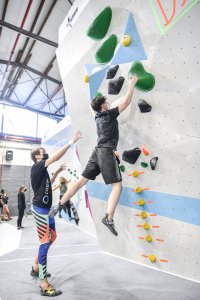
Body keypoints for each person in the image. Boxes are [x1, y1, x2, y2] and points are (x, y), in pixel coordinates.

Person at [49, 76, 138, 236]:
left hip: (96, 152)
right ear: (103, 107)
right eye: (105, 103)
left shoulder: (97, 116)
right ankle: (109, 218)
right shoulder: (109, 114)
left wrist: (90, 94)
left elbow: (92, 108)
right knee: (117, 186)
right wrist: (132, 84)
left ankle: (59, 204)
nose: (108, 104)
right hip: (105, 152)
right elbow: (126, 101)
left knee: (81, 181)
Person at [30, 131, 82, 297]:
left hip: (47, 209)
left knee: (53, 237)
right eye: (42, 152)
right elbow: (56, 157)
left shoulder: (42, 171)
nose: (45, 153)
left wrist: (57, 173)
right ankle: (43, 283)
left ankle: (36, 267)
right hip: (39, 209)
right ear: (38, 157)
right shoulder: (38, 166)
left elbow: (48, 183)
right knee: (45, 242)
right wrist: (70, 142)